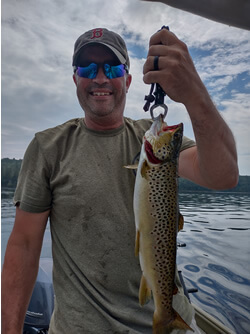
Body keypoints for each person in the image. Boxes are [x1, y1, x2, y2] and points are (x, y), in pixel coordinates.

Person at [2, 27, 238, 334]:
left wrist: (194, 94)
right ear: (76, 79)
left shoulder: (154, 142)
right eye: (88, 68)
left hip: (172, 321)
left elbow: (224, 175)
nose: (100, 78)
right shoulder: (49, 148)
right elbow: (24, 245)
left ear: (126, 80)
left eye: (112, 68)